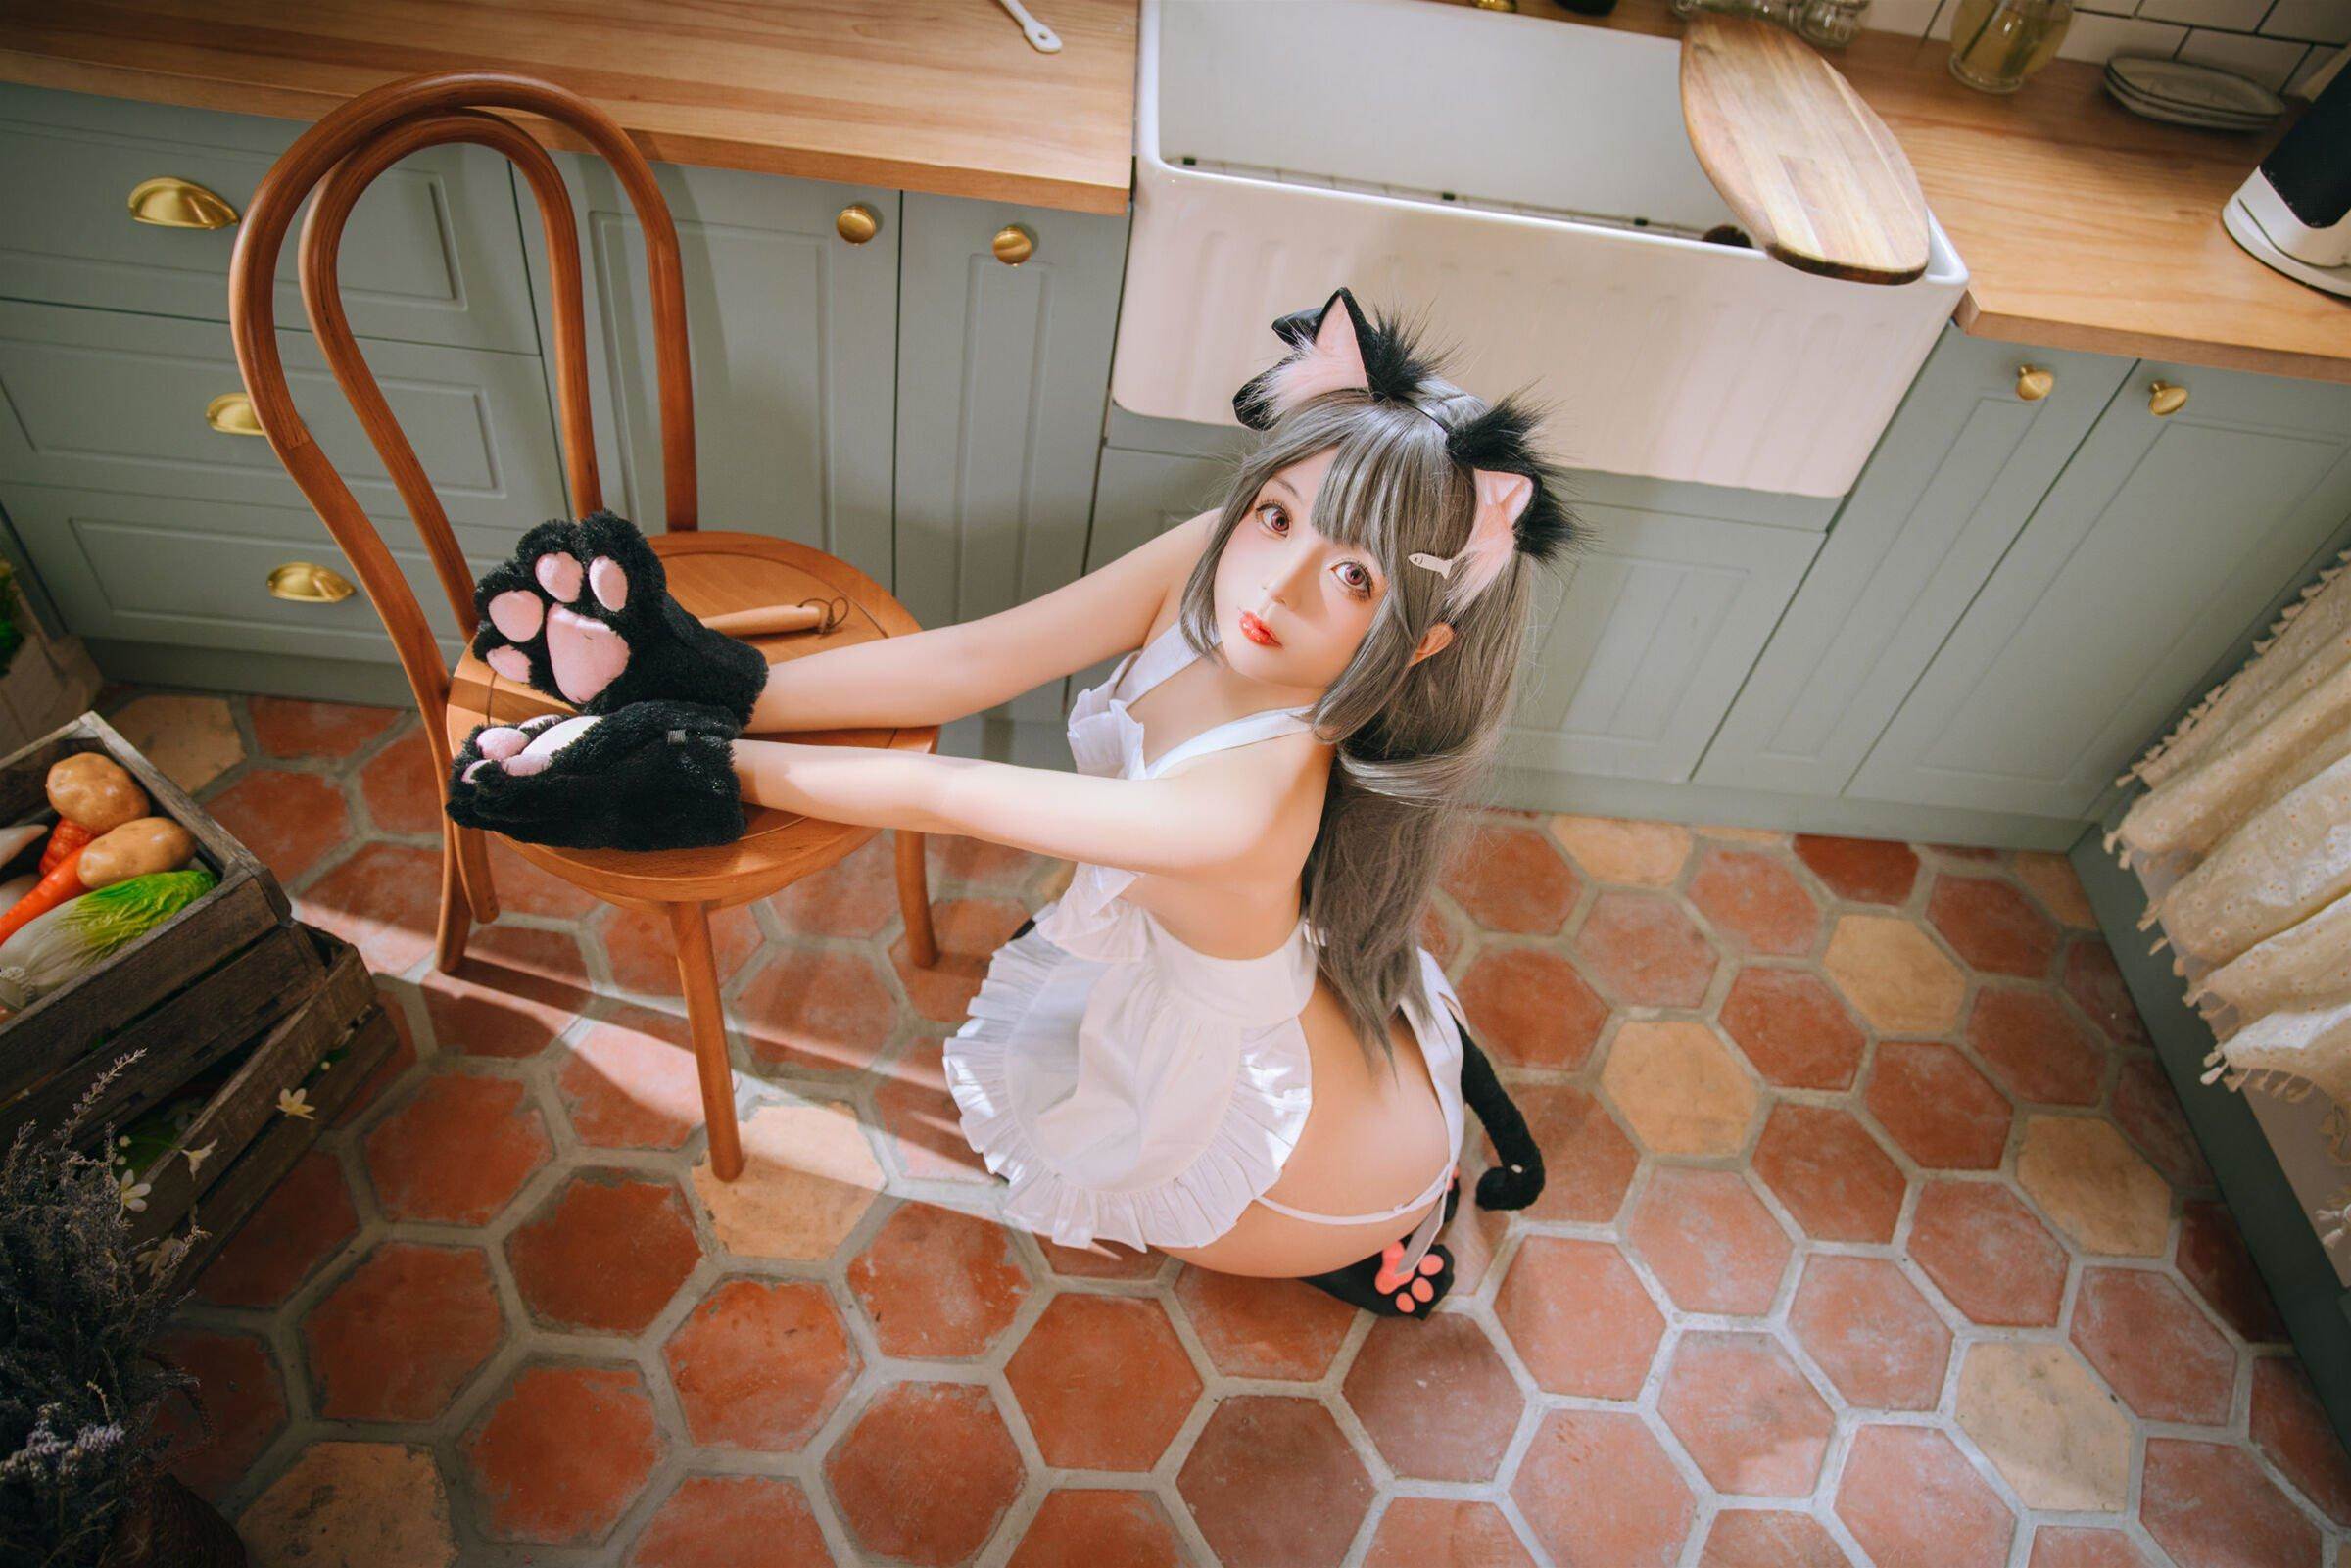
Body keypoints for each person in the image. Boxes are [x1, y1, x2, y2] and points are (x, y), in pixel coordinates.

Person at [446, 289, 1566, 1315]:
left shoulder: (1251, 797)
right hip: (1207, 979)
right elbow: (976, 659)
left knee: (1143, 1179)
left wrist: (693, 764)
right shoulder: (1223, 562)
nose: (1279, 581)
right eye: (1278, 516)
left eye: (1356, 576)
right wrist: (720, 682)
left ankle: (1375, 1233)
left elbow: (950, 791)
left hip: (1307, 1160)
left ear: (1419, 640)